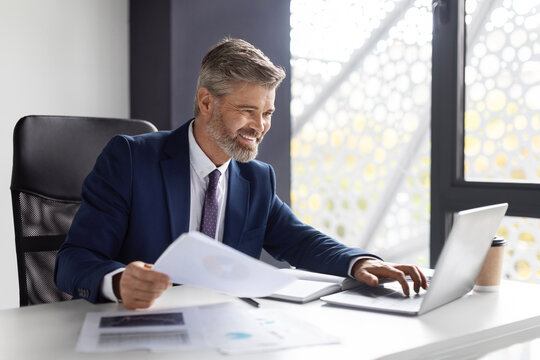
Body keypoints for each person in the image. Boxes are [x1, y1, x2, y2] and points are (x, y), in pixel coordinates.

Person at [55, 38, 427, 310]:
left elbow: (300, 241)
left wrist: (360, 261)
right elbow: (73, 260)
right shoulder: (132, 160)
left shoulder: (256, 179)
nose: (260, 126)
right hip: (140, 328)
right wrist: (119, 282)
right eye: (248, 111)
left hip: (221, 330)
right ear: (205, 102)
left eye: (267, 114)